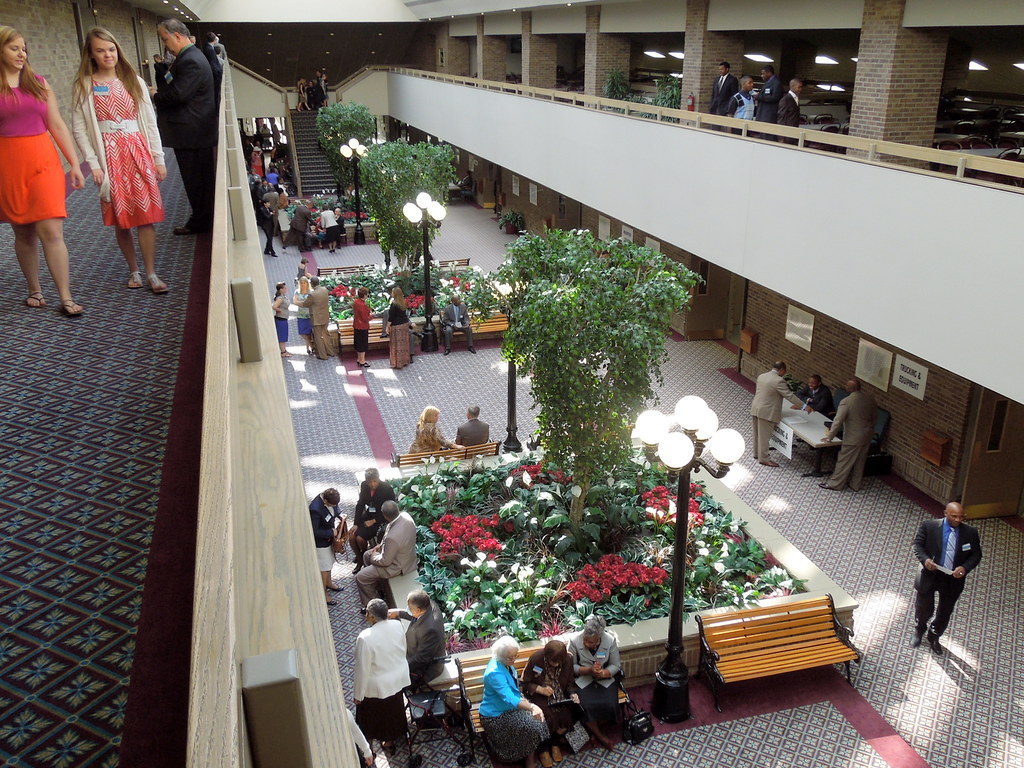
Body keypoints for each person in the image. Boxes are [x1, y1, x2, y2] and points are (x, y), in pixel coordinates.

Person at [72, 27, 169, 295]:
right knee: (122, 218)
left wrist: (158, 158)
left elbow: (150, 122)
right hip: (109, 157)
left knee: (146, 215)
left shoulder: (133, 80)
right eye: (100, 50)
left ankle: (151, 271)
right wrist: (93, 163)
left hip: (137, 150)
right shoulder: (84, 84)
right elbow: (79, 128)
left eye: (111, 49)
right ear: (91, 55)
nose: (107, 55)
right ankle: (134, 269)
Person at [0, 26, 86, 317]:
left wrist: (73, 163)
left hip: (43, 162)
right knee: (23, 232)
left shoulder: (38, 83)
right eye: (15, 48)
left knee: (52, 229)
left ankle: (66, 296)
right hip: (8, 165)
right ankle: (34, 289)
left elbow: (57, 124)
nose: (22, 53)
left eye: (24, 48)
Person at [152, 19, 216, 237]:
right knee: (198, 181)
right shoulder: (191, 57)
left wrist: (155, 95)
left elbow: (179, 94)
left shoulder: (191, 60)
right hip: (196, 131)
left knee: (196, 182)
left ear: (177, 36)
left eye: (165, 39)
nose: (165, 44)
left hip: (192, 133)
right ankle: (201, 219)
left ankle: (201, 222)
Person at [911, 502, 982, 655]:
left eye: (961, 517)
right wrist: (925, 560)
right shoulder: (929, 526)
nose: (958, 520)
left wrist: (964, 568)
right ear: (945, 513)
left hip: (952, 579)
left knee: (945, 611)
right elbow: (917, 546)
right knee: (924, 607)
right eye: (954, 516)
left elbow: (976, 555)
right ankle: (920, 629)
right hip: (930, 574)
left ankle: (934, 635)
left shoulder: (971, 532)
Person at [480, 636, 549, 768]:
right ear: (499, 656)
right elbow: (508, 697)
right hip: (496, 715)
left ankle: (531, 754)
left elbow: (513, 689)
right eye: (509, 657)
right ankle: (523, 756)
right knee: (532, 724)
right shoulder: (494, 673)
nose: (513, 659)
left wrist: (525, 701)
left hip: (511, 707)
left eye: (515, 656)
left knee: (538, 721)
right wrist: (532, 706)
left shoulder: (506, 664)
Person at [353, 598, 410, 754]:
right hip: (397, 680)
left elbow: (362, 669)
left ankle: (368, 749)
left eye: (367, 612)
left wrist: (358, 694)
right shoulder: (397, 625)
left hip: (376, 687)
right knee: (392, 712)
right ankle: (389, 741)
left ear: (371, 616)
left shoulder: (365, 637)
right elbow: (402, 649)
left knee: (369, 719)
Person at [522, 639, 579, 765]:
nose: (556, 665)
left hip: (559, 694)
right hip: (540, 695)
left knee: (567, 715)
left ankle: (555, 742)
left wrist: (573, 694)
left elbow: (570, 682)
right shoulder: (536, 659)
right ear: (546, 656)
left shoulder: (568, 659)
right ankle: (543, 749)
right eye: (553, 662)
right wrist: (540, 689)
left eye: (559, 662)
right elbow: (526, 682)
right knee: (547, 717)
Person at [568, 614, 619, 750]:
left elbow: (615, 665)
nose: (586, 644)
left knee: (611, 705)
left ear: (599, 639)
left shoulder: (610, 640)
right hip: (583, 680)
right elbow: (571, 667)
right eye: (585, 640)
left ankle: (592, 730)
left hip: (605, 681)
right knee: (585, 706)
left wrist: (604, 673)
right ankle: (600, 736)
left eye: (591, 642)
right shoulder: (574, 641)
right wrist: (589, 670)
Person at [355, 500, 417, 609]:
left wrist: (374, 555)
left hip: (397, 566)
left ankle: (375, 607)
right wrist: (380, 546)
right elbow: (391, 538)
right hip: (404, 556)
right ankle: (377, 587)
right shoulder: (405, 516)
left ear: (385, 515)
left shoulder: (392, 538)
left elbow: (385, 561)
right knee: (366, 555)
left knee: (361, 577)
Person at [819, 377, 878, 491]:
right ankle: (855, 485)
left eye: (847, 386)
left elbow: (838, 420)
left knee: (844, 461)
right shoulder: (870, 399)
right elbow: (875, 417)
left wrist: (830, 436)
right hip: (866, 436)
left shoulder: (846, 402)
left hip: (852, 437)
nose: (845, 387)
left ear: (851, 389)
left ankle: (835, 484)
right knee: (860, 462)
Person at [388, 589, 447, 686]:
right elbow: (415, 615)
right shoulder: (427, 604)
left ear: (418, 610)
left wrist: (401, 670)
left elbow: (421, 659)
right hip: (413, 651)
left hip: (425, 668)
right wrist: (398, 612)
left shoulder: (430, 630)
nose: (407, 609)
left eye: (409, 608)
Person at [750, 361, 802, 466]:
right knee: (764, 436)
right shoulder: (779, 381)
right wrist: (803, 406)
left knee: (757, 434)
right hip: (767, 411)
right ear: (782, 370)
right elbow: (789, 395)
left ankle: (757, 454)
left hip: (756, 408)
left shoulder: (762, 376)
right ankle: (764, 458)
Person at [350, 467, 396, 573]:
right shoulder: (364, 486)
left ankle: (363, 556)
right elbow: (360, 504)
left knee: (360, 539)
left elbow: (390, 511)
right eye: (369, 482)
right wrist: (356, 523)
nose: (372, 484)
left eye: (374, 481)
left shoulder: (387, 489)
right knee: (351, 535)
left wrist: (374, 521)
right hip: (368, 516)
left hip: (380, 519)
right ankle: (360, 558)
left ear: (378, 479)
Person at [308, 487, 344, 606]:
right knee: (324, 567)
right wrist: (330, 533)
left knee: (329, 563)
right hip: (320, 544)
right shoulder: (315, 509)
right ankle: (323, 593)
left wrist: (340, 516)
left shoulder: (331, 500)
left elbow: (335, 509)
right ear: (325, 501)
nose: (334, 506)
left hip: (329, 541)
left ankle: (328, 582)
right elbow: (314, 531)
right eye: (332, 504)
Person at [299, 275, 336, 360]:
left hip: (316, 318)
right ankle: (330, 352)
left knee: (318, 337)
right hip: (325, 316)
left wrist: (297, 302)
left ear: (311, 284)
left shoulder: (312, 294)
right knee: (326, 335)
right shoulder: (324, 290)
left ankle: (323, 355)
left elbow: (305, 304)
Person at [387, 286, 411, 369]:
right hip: (404, 325)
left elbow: (391, 317)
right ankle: (404, 361)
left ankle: (397, 363)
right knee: (404, 344)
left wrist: (387, 327)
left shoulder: (394, 304)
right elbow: (404, 315)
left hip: (397, 327)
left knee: (396, 345)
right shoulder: (403, 302)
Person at [292, 276, 313, 355]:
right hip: (301, 315)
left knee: (309, 333)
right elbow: (294, 301)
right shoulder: (297, 292)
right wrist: (304, 303)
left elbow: (311, 302)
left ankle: (308, 347)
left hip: (309, 315)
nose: (303, 285)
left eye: (304, 283)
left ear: (307, 283)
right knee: (302, 332)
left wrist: (301, 303)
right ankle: (311, 345)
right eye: (301, 283)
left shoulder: (311, 291)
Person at [353, 286, 372, 368]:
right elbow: (365, 318)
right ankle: (362, 361)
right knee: (363, 345)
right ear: (364, 295)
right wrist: (372, 315)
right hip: (363, 326)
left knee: (358, 343)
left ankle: (359, 359)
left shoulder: (356, 302)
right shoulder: (362, 305)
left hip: (356, 325)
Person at [272, 281, 291, 357]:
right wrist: (280, 310)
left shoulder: (283, 297)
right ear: (281, 289)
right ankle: (283, 352)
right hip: (280, 319)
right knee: (282, 336)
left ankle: (284, 350)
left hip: (284, 319)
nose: (286, 289)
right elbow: (274, 307)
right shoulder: (280, 299)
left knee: (284, 335)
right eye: (284, 288)